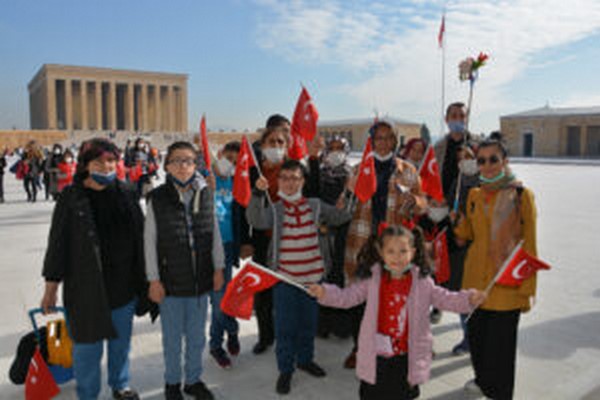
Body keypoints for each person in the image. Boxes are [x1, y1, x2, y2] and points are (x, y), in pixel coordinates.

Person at [309, 225, 484, 400]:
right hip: (377, 356)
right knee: (372, 394)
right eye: (391, 251)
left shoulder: (423, 283)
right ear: (381, 252)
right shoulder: (372, 280)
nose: (397, 257)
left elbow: (447, 298)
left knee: (402, 395)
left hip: (406, 357)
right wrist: (325, 293)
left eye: (403, 251)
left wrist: (469, 299)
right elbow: (347, 297)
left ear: (413, 252)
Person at [40, 138, 147, 400]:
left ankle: (120, 385)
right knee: (87, 348)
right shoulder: (71, 197)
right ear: (86, 165)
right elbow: (58, 244)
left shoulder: (126, 192)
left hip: (123, 285)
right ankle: (87, 393)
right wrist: (50, 289)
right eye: (99, 161)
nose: (106, 166)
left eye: (111, 160)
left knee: (120, 343)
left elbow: (141, 237)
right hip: (85, 287)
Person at [246, 159, 352, 395]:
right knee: (285, 327)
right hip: (285, 280)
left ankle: (305, 360)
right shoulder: (275, 208)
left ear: (303, 181)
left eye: (295, 178)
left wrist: (346, 202)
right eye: (284, 178)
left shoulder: (315, 205)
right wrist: (256, 193)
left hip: (314, 281)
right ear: (278, 182)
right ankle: (286, 369)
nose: (290, 183)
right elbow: (255, 220)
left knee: (308, 324)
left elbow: (340, 217)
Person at [454, 136, 538, 400]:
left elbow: (530, 245)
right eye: (481, 160)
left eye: (493, 159)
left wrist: (526, 291)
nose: (487, 165)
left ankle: (500, 393)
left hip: (505, 285)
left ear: (505, 161)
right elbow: (467, 235)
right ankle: (483, 381)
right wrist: (457, 222)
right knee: (478, 341)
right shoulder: (474, 194)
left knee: (500, 350)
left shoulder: (521, 195)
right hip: (476, 282)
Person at [343, 120, 427, 368]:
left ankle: (394, 346)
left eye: (388, 137)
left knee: (393, 299)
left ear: (395, 140)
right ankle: (359, 349)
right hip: (362, 243)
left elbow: (423, 202)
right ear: (371, 140)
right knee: (361, 299)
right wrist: (348, 192)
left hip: (394, 248)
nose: (383, 142)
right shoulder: (358, 170)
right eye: (378, 138)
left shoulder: (408, 171)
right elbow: (344, 208)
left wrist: (417, 203)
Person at [145, 141, 224, 400]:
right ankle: (171, 383)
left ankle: (192, 379)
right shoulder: (157, 198)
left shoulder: (206, 194)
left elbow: (215, 236)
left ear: (195, 165)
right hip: (171, 282)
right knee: (172, 340)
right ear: (167, 166)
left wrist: (218, 268)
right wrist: (153, 279)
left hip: (200, 280)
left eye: (188, 160)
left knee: (196, 337)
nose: (183, 166)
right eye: (177, 160)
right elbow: (150, 241)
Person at [244, 114, 323, 355]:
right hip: (262, 238)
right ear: (263, 144)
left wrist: (314, 159)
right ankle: (266, 336)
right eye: (272, 142)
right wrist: (245, 241)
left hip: (291, 242)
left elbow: (313, 194)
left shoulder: (294, 168)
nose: (276, 147)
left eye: (281, 142)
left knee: (293, 293)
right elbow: (243, 207)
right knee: (264, 292)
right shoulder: (253, 170)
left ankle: (298, 339)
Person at [430, 102, 479, 325]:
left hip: (467, 218)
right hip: (441, 215)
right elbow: (430, 179)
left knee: (464, 275)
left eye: (461, 115)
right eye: (453, 115)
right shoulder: (439, 147)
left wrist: (472, 166)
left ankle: (467, 328)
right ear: (446, 118)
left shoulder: (477, 145)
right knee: (438, 266)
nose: (457, 118)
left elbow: (488, 179)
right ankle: (437, 304)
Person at [208, 141, 241, 369]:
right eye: (228, 158)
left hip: (227, 247)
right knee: (217, 299)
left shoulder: (238, 184)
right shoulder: (205, 179)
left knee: (221, 297)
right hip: (207, 248)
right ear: (220, 155)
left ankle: (215, 345)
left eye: (236, 162)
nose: (231, 164)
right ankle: (232, 329)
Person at [317, 135, 353, 338]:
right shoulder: (319, 174)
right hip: (321, 231)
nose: (336, 151)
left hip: (343, 232)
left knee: (339, 275)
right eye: (332, 148)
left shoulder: (350, 174)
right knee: (323, 276)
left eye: (340, 148)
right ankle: (322, 324)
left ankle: (341, 326)